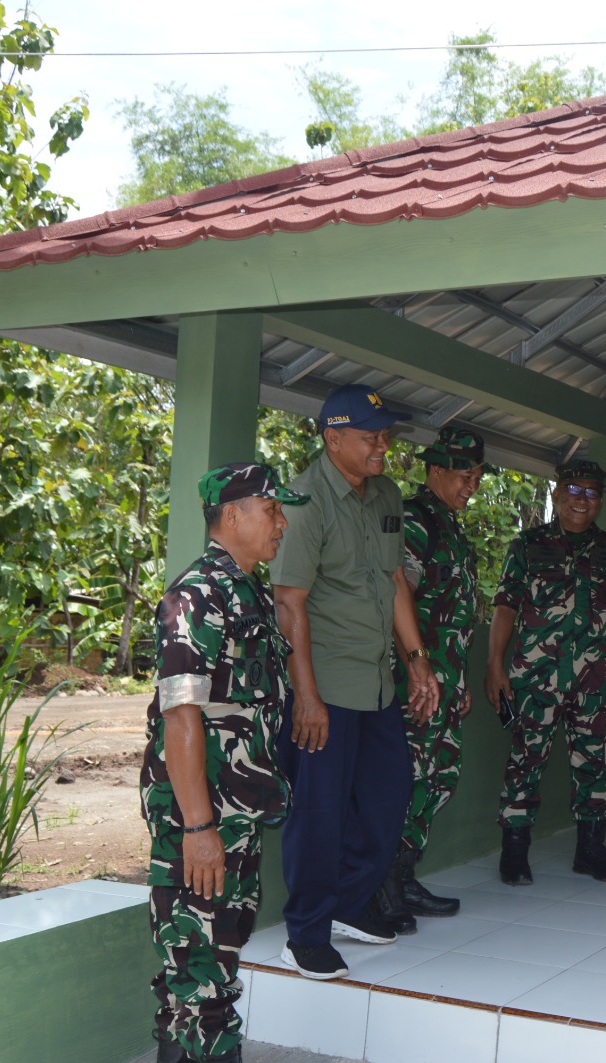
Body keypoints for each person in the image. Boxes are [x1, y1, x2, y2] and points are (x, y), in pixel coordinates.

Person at [270, 384, 439, 981]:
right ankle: (306, 932)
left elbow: (393, 579)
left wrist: (416, 658)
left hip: (377, 682)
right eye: (371, 436)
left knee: (388, 799)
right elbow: (290, 604)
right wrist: (307, 696)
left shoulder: (386, 494)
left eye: (386, 435)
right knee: (318, 812)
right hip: (325, 685)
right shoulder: (305, 501)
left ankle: (346, 903)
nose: (382, 446)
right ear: (332, 438)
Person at [142, 463, 310, 1063]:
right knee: (200, 973)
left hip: (234, 812)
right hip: (202, 814)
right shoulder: (196, 595)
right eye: (272, 510)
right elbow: (180, 716)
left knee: (209, 963)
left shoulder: (249, 589)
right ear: (232, 514)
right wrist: (197, 827)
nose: (281, 524)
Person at [485, 458, 606, 886]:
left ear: (600, 501)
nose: (580, 500)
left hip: (593, 679)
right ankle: (514, 852)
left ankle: (591, 850)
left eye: (590, 493)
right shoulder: (526, 546)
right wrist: (494, 665)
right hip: (536, 677)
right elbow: (505, 608)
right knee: (524, 760)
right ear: (556, 495)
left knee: (594, 762)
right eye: (572, 490)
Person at [372, 426, 487, 927]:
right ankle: (382, 887)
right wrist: (420, 671)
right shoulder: (416, 522)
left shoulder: (450, 525)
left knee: (439, 777)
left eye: (478, 476)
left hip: (442, 682)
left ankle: (403, 873)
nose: (472, 486)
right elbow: (400, 600)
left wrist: (456, 681)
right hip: (414, 684)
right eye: (465, 475)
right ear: (436, 470)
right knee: (410, 779)